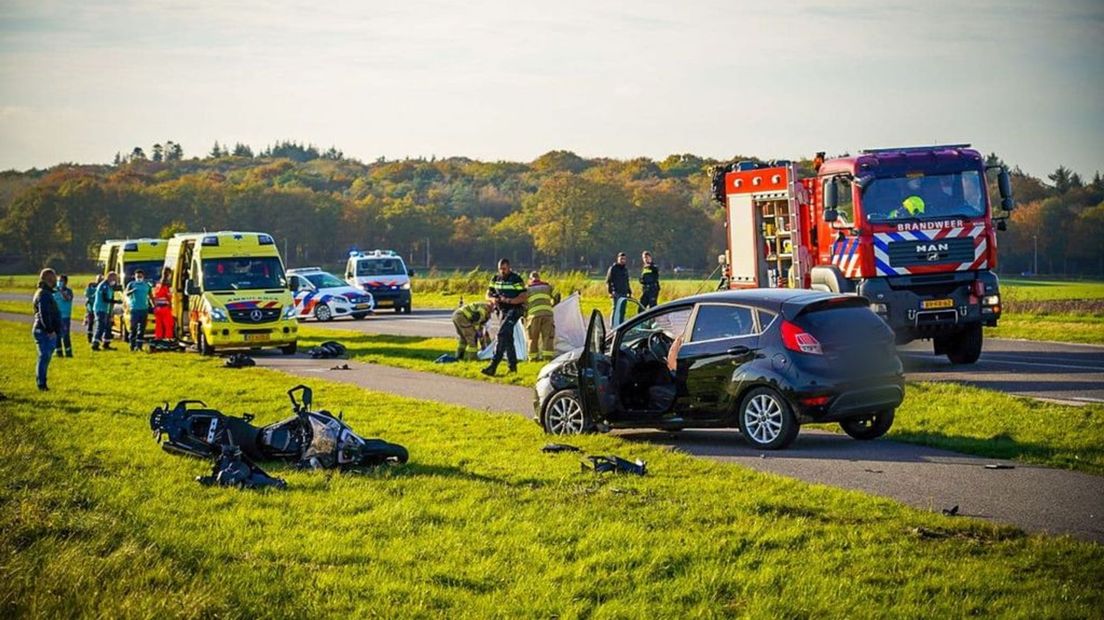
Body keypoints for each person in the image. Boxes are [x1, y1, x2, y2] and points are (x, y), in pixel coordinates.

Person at [481, 258, 527, 376]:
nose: (502, 271)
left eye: (504, 269)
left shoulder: (516, 279)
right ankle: (513, 367)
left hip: (515, 309)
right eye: (500, 269)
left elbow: (523, 296)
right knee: (507, 338)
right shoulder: (495, 279)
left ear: (509, 267)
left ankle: (493, 365)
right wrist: (493, 299)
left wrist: (509, 300)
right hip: (502, 311)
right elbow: (488, 294)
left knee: (501, 334)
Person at [31, 268, 62, 391]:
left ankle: (42, 382)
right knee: (44, 357)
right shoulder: (43, 294)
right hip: (43, 331)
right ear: (49, 278)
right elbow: (44, 313)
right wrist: (50, 330)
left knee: (45, 358)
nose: (56, 280)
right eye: (54, 277)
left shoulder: (46, 293)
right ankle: (41, 384)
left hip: (45, 330)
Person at [525, 271, 557, 361]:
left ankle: (533, 358)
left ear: (530, 279)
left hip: (533, 316)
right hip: (548, 315)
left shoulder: (528, 289)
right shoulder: (548, 286)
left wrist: (525, 313)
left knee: (532, 338)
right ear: (539, 278)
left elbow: (523, 303)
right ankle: (547, 357)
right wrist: (552, 305)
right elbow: (557, 296)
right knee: (548, 337)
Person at [125, 269, 153, 351]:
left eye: (140, 276)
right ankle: (132, 345)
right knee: (133, 328)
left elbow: (151, 296)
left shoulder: (147, 285)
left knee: (142, 329)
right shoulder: (131, 284)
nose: (139, 277)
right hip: (134, 309)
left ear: (143, 276)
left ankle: (139, 346)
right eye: (137, 276)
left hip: (144, 309)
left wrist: (154, 306)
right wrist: (132, 291)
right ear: (135, 276)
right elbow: (126, 294)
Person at [92, 271, 119, 351]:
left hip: (105, 309)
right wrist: (115, 301)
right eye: (114, 278)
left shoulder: (109, 287)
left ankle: (106, 344)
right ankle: (95, 344)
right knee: (101, 326)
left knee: (108, 327)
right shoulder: (103, 286)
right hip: (100, 309)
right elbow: (105, 299)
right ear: (109, 277)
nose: (115, 280)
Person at [52, 273, 74, 357]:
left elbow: (67, 298)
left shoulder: (69, 291)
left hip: (65, 317)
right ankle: (59, 352)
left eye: (61, 281)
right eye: (58, 280)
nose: (59, 282)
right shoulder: (54, 291)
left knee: (65, 335)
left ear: (65, 282)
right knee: (57, 335)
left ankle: (68, 352)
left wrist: (61, 291)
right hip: (56, 316)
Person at [153, 266, 175, 340]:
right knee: (168, 324)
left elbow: (155, 295)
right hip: (165, 308)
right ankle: (168, 338)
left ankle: (158, 338)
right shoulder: (166, 285)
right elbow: (168, 296)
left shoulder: (158, 284)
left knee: (159, 325)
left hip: (157, 308)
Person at [84, 275, 102, 343]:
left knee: (99, 323)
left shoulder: (102, 287)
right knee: (90, 323)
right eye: (99, 279)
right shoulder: (91, 287)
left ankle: (98, 337)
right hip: (91, 307)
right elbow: (87, 294)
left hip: (99, 307)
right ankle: (89, 337)